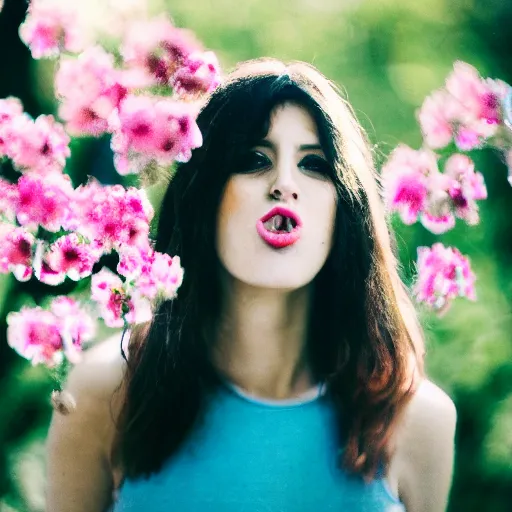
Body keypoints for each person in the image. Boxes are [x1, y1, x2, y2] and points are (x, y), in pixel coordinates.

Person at [45, 58, 457, 512]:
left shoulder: (419, 421)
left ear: (346, 209)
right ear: (204, 196)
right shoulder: (108, 393)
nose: (284, 184)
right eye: (254, 160)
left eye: (315, 165)